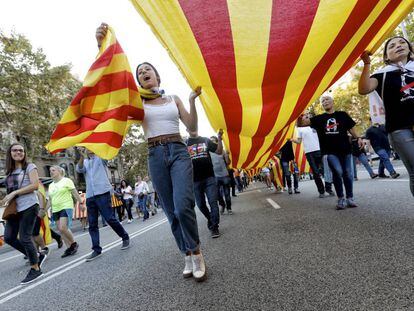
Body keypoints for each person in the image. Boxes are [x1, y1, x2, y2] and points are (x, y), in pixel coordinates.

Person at [95, 21, 206, 281]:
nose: (144, 72)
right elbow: (111, 83)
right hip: (155, 155)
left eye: (148, 70)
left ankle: (198, 252)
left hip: (178, 150)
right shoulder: (137, 102)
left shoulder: (174, 99)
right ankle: (187, 254)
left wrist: (191, 101)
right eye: (140, 72)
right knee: (170, 210)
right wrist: (102, 46)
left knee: (182, 206)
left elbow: (191, 128)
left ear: (157, 76)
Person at [359, 37, 413, 194]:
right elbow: (363, 89)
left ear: (409, 48)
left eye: (402, 43)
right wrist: (367, 64)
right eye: (392, 46)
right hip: (400, 128)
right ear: (386, 57)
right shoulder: (381, 75)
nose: (398, 46)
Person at [297, 95, 363, 210]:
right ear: (322, 105)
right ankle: (341, 198)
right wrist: (299, 113)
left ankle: (349, 198)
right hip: (330, 151)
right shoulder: (318, 119)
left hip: (345, 150)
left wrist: (359, 138)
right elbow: (300, 124)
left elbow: (351, 128)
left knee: (348, 173)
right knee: (338, 171)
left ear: (332, 102)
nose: (325, 101)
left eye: (327, 99)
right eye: (323, 101)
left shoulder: (342, 115)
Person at [1, 143, 45, 284]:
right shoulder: (9, 171)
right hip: (15, 209)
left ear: (24, 153)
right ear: (10, 153)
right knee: (8, 237)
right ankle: (36, 255)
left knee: (25, 237)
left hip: (29, 206)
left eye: (21, 150)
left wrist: (15, 192)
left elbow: (35, 185)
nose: (18, 152)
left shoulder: (30, 167)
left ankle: (35, 269)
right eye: (15, 150)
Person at [76, 147, 130, 261]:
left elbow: (107, 155)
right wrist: (81, 155)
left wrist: (99, 147)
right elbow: (79, 169)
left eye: (90, 146)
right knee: (92, 224)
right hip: (90, 195)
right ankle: (96, 249)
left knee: (110, 218)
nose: (89, 149)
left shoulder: (100, 159)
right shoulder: (85, 161)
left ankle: (125, 237)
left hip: (102, 193)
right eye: (87, 147)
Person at [187, 128, 223, 238]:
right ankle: (210, 219)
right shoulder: (184, 144)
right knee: (201, 205)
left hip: (209, 178)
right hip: (194, 180)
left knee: (213, 202)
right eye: (190, 127)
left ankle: (215, 227)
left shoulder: (206, 140)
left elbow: (219, 151)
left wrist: (220, 139)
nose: (192, 128)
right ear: (187, 129)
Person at [292, 114, 334, 198]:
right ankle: (321, 191)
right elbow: (299, 141)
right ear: (301, 119)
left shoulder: (315, 125)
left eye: (308, 115)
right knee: (315, 172)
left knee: (324, 171)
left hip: (319, 150)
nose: (307, 115)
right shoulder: (300, 129)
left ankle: (328, 189)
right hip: (309, 153)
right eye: (304, 115)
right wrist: (292, 140)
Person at [48, 166, 81, 258]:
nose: (51, 172)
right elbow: (50, 200)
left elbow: (74, 192)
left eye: (53, 170)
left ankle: (74, 243)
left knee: (63, 228)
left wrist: (81, 203)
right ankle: (69, 248)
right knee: (61, 230)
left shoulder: (66, 181)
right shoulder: (51, 185)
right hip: (55, 209)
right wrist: (43, 210)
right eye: (50, 171)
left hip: (66, 206)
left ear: (59, 171)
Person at [210, 136, 233, 215]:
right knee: (217, 194)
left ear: (217, 142)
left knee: (227, 193)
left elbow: (228, 162)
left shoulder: (222, 151)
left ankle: (229, 208)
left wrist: (227, 155)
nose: (212, 142)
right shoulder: (208, 152)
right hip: (215, 176)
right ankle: (222, 205)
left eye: (213, 141)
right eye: (211, 141)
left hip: (224, 175)